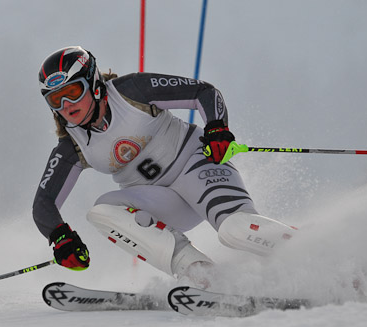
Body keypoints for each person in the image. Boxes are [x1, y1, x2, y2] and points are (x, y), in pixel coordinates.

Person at [32, 46, 296, 287]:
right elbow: (44, 201)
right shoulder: (72, 146)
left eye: (73, 93)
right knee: (102, 211)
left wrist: (217, 128)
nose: (67, 106)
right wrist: (60, 237)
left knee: (235, 230)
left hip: (198, 169)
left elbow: (203, 91)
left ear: (93, 84)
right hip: (161, 202)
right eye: (56, 100)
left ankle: (309, 253)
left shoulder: (131, 91)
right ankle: (200, 273)